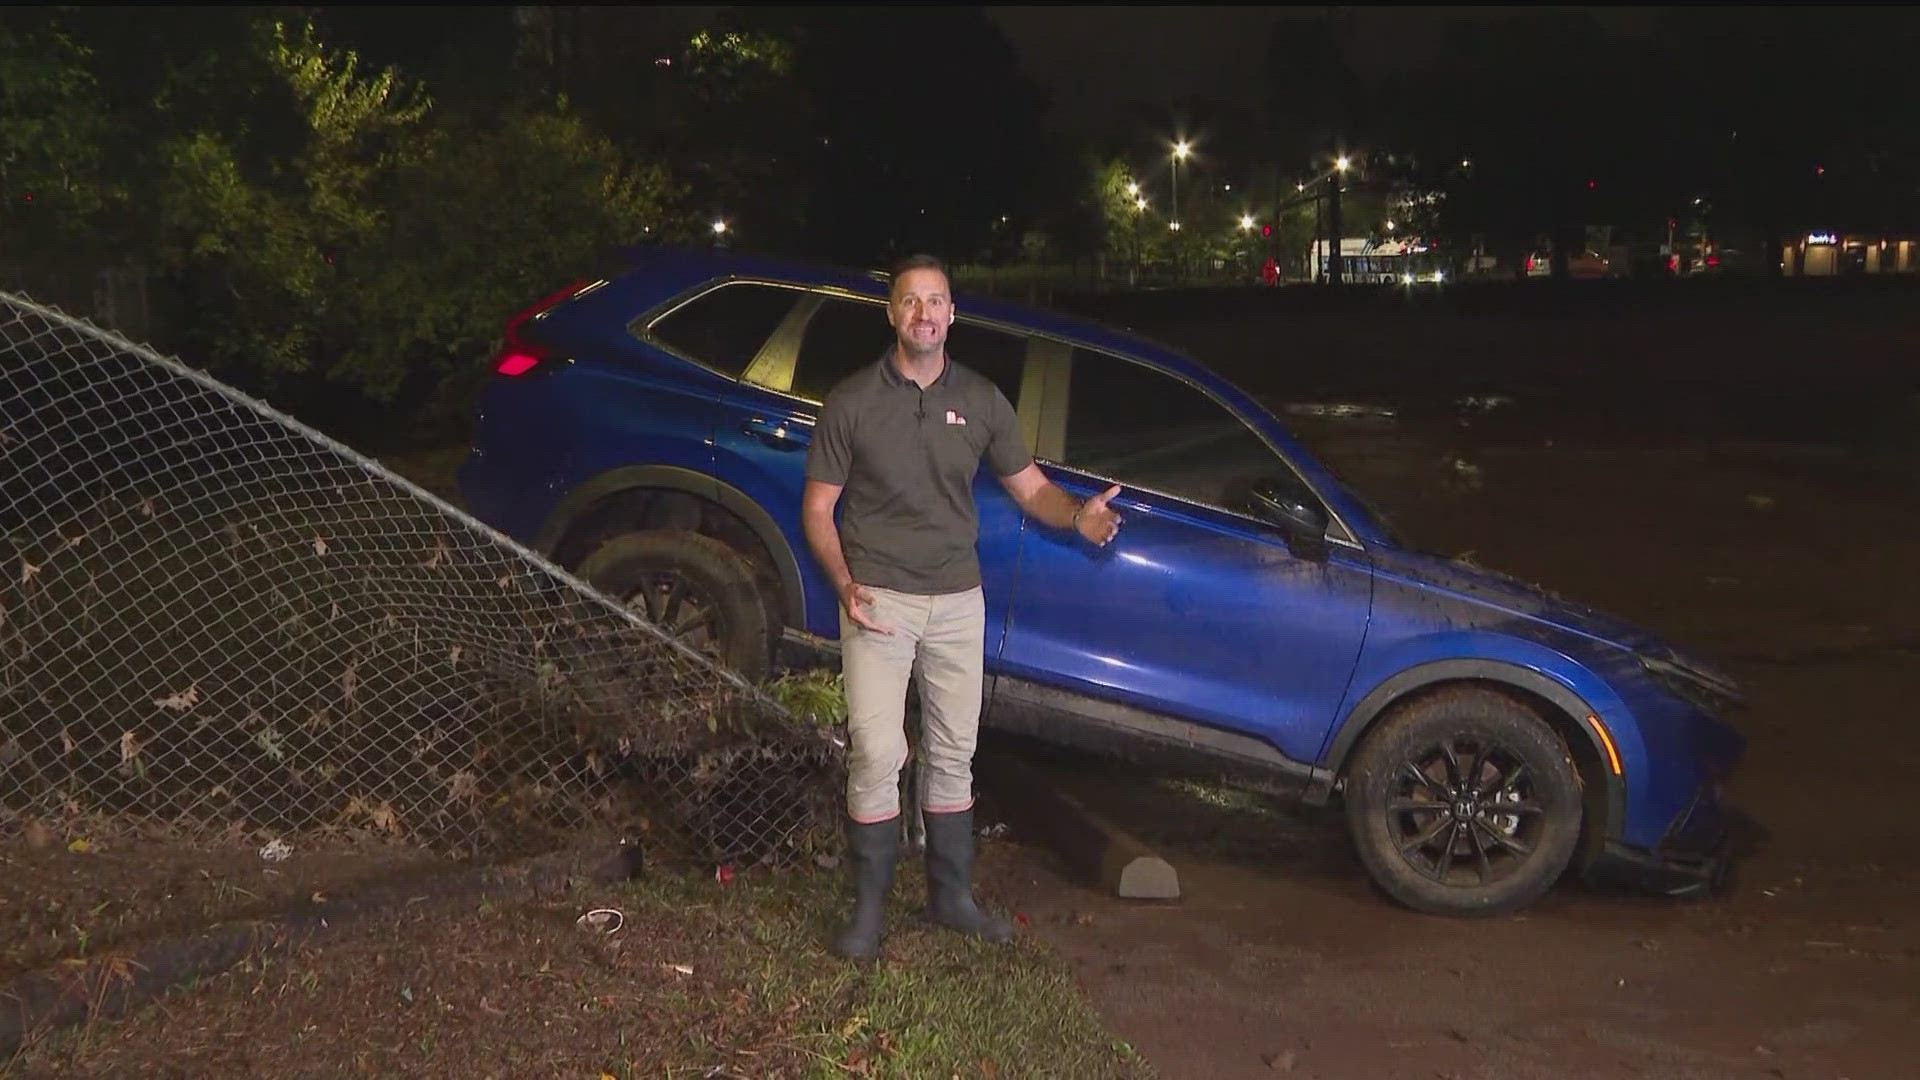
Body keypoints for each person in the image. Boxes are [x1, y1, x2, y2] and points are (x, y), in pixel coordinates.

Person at [802, 253, 1124, 961]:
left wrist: (1078, 518)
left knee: (954, 753)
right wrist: (845, 582)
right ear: (892, 314)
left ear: (953, 314)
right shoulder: (852, 401)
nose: (923, 313)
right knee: (878, 753)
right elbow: (819, 509)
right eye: (910, 302)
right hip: (878, 599)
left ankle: (951, 899)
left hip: (956, 601)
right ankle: (868, 909)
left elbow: (1030, 487)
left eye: (936, 301)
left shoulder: (980, 399)